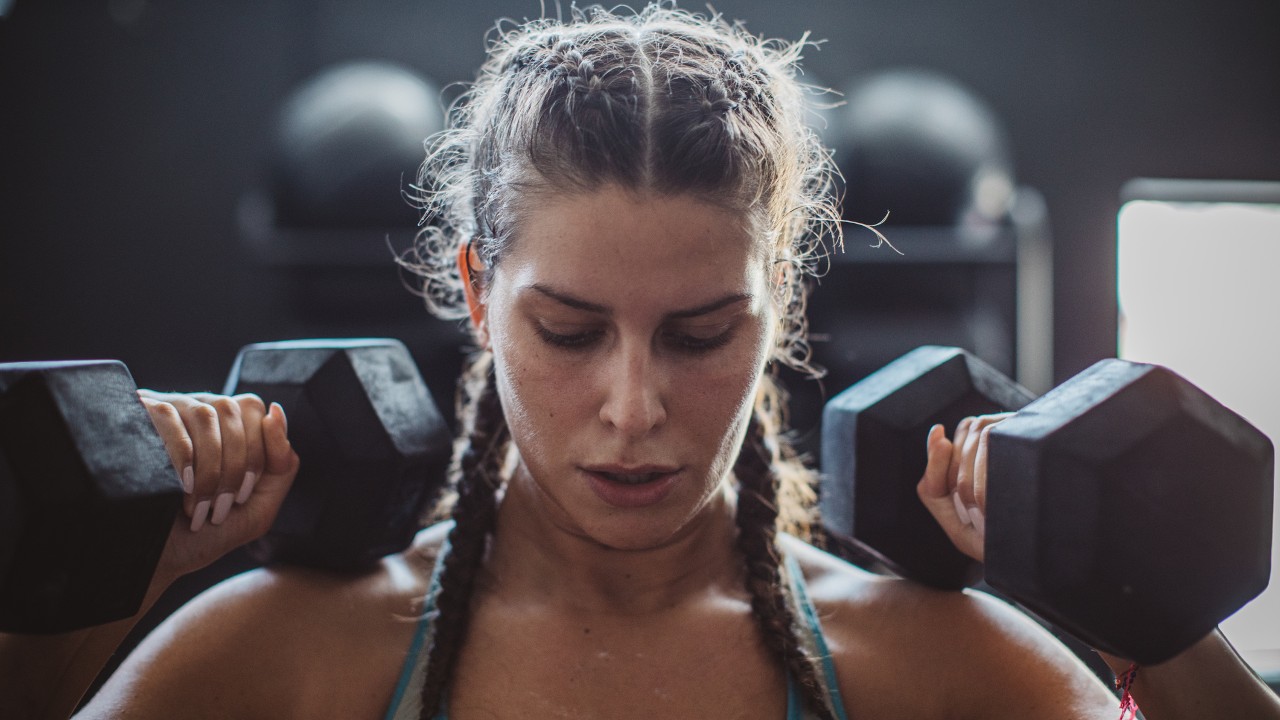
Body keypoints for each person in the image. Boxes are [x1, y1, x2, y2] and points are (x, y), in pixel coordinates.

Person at [3, 5, 1278, 719]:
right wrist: (108, 592)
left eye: (699, 333)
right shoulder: (282, 662)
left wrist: (1151, 625)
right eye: (566, 331)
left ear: (775, 303)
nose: (634, 409)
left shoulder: (934, 673)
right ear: (472, 291)